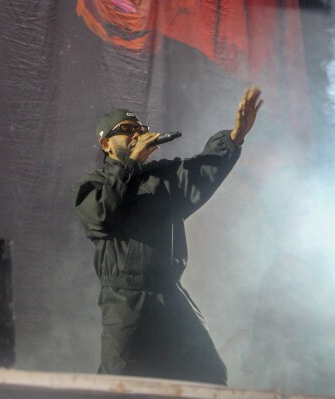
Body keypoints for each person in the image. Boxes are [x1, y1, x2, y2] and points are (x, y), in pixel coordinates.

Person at [72, 86, 263, 385]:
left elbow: (201, 170)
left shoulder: (160, 177)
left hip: (168, 291)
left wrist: (235, 137)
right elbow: (104, 215)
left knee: (208, 374)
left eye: (141, 128)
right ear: (106, 143)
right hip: (126, 299)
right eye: (127, 130)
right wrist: (130, 164)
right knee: (120, 383)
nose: (137, 133)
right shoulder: (92, 184)